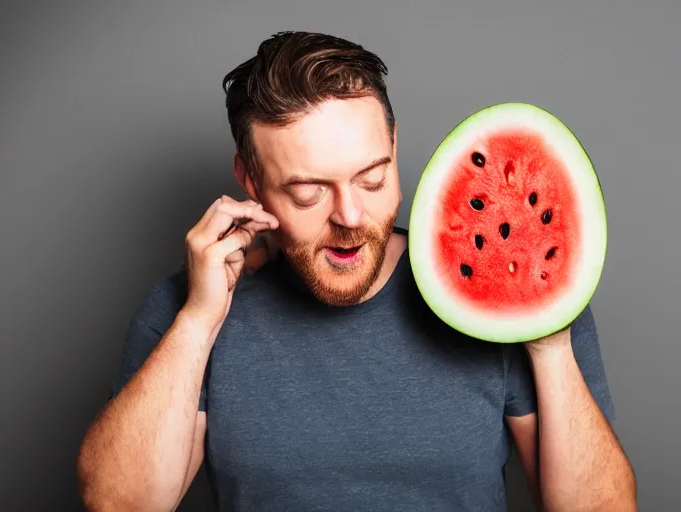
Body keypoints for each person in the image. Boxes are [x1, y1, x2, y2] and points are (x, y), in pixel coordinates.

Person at [77, 31, 637, 511]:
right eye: (308, 192)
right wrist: (198, 321)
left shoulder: (511, 296)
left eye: (372, 179)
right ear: (250, 180)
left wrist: (550, 344)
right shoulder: (187, 308)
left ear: (394, 146)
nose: (349, 217)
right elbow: (119, 502)